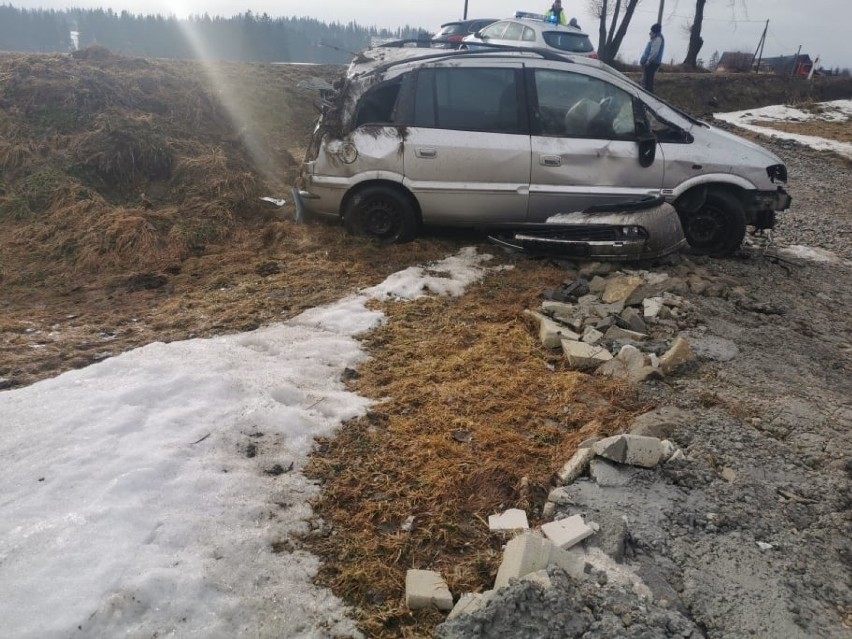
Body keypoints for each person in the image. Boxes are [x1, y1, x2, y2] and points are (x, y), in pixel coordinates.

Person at [640, 23, 665, 93]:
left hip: (652, 63)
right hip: (651, 62)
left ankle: (648, 95)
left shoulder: (658, 39)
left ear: (655, 31)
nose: (650, 32)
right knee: (647, 81)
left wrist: (648, 61)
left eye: (652, 30)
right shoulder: (656, 38)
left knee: (648, 82)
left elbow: (654, 52)